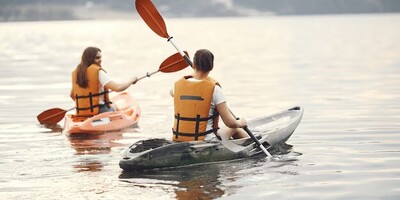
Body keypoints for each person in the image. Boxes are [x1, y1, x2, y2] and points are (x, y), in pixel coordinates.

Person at [170, 49, 248, 142]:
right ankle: (254, 145)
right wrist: (240, 123)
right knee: (235, 128)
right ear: (212, 67)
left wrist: (193, 75)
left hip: (180, 139)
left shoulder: (177, 86)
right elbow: (229, 123)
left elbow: (172, 93)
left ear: (194, 65)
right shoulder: (215, 89)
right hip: (206, 140)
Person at [70, 47, 138, 116]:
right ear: (89, 59)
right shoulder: (98, 72)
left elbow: (72, 95)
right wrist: (131, 80)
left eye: (100, 57)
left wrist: (85, 105)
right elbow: (118, 88)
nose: (100, 60)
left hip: (82, 113)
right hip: (101, 111)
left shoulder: (77, 73)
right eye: (97, 58)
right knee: (114, 106)